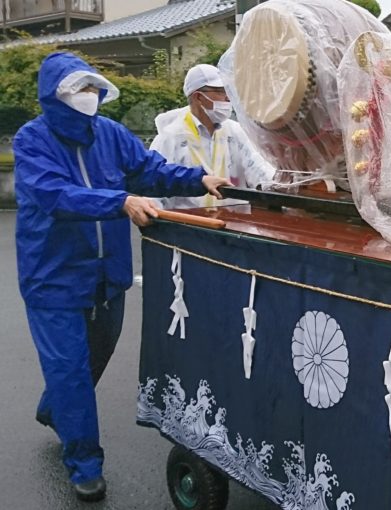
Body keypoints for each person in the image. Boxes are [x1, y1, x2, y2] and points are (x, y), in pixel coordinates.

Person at [13, 52, 229, 502]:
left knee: (95, 357)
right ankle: (85, 464)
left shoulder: (110, 134)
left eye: (93, 88)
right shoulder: (32, 141)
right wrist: (120, 201)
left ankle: (57, 409)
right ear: (56, 96)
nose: (89, 97)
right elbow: (55, 194)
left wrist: (199, 180)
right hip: (53, 277)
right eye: (79, 89)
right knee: (70, 369)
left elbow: (149, 169)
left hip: (107, 274)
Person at [150, 64, 277, 209]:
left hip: (235, 224)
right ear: (198, 97)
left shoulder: (235, 131)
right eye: (220, 91)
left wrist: (280, 184)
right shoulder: (171, 138)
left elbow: (257, 168)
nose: (228, 98)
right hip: (189, 225)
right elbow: (157, 187)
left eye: (228, 91)